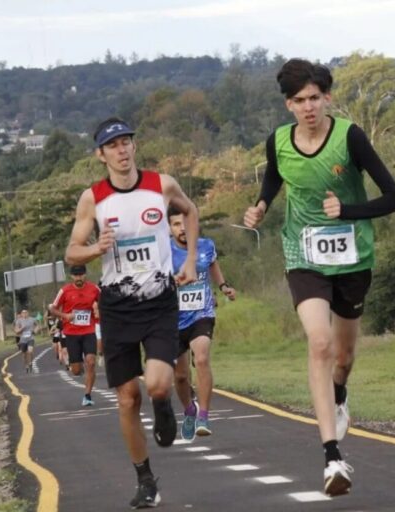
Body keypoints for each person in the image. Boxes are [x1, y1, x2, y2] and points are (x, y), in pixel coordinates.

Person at [243, 59, 395, 497]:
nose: (308, 107)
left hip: (353, 256)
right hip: (304, 252)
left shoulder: (349, 136)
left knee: (344, 358)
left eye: (315, 98)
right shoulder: (278, 141)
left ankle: (339, 391)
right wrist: (260, 206)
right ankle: (332, 455)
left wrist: (347, 211)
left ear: (327, 98)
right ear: (288, 105)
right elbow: (276, 177)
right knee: (320, 342)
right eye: (299, 101)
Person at [64, 116, 199, 509]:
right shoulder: (94, 198)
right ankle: (145, 479)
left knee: (157, 384)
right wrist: (95, 248)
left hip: (159, 300)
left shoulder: (162, 184)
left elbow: (189, 211)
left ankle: (163, 407)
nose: (122, 151)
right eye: (113, 146)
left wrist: (188, 259)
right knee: (126, 399)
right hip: (117, 306)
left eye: (126, 142)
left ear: (134, 147)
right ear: (101, 155)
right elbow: (72, 250)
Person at [168, 207, 237, 443]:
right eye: (176, 224)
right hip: (172, 320)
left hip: (201, 314)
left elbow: (213, 265)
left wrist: (224, 286)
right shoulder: (163, 251)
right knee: (180, 376)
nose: (182, 229)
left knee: (202, 359)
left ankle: (204, 417)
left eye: (185, 223)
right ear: (169, 228)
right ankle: (189, 410)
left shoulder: (206, 245)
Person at [50, 264, 101, 406]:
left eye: (81, 274)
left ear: (85, 274)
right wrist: (65, 315)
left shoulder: (94, 289)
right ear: (72, 276)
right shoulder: (65, 291)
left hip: (88, 331)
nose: (79, 277)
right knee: (76, 371)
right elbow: (52, 308)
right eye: (76, 275)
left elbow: (105, 302)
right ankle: (80, 368)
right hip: (71, 333)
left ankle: (88, 395)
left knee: (91, 362)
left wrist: (100, 312)